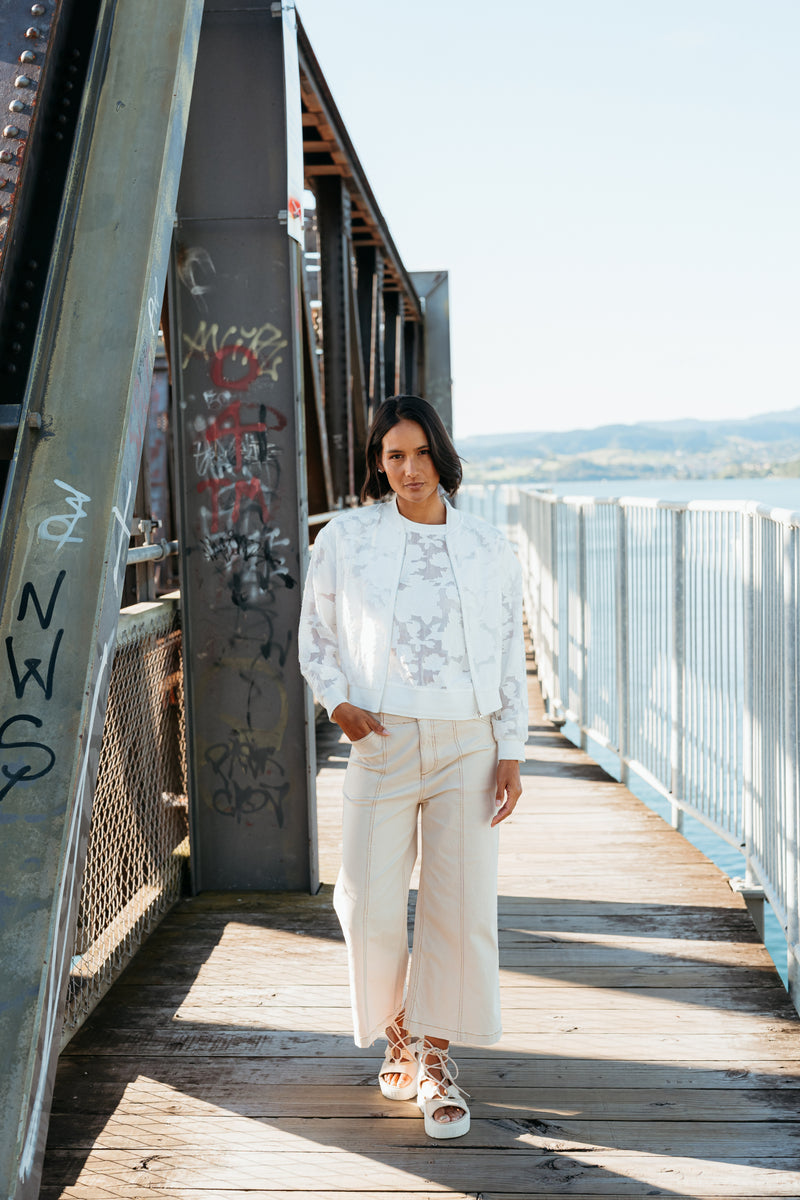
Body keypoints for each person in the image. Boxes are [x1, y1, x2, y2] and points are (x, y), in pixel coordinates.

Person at [298, 395, 528, 1140]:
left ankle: (433, 1055)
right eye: (395, 455)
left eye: (423, 453)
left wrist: (512, 749)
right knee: (365, 902)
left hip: (469, 742)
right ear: (378, 461)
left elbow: (508, 652)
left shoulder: (489, 546)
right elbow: (316, 631)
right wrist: (338, 703)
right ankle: (397, 1029)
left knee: (459, 908)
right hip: (381, 740)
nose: (410, 469)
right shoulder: (346, 538)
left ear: (442, 457)